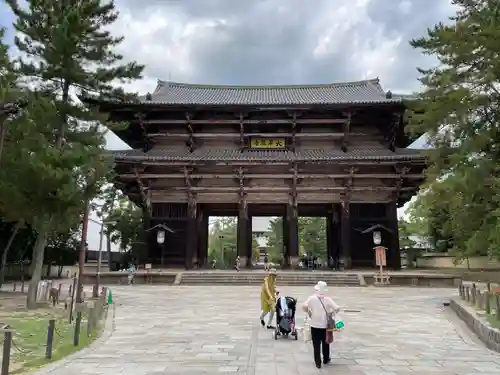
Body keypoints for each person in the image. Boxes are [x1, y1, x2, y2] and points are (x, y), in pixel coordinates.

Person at [302, 281, 340, 369]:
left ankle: (318, 362)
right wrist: (331, 313)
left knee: (316, 344)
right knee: (326, 342)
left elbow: (304, 306)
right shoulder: (327, 299)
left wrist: (309, 311)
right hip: (325, 325)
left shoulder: (312, 298)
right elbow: (337, 308)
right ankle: (326, 359)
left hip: (314, 324)